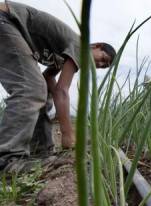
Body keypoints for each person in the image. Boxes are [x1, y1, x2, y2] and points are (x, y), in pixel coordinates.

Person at [0, 1, 116, 171]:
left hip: (8, 25)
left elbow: (48, 78)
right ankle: (7, 159)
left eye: (103, 66)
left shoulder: (64, 55)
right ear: (95, 46)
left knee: (40, 89)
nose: (99, 64)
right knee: (31, 88)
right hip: (7, 20)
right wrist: (68, 135)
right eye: (103, 59)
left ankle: (41, 150)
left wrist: (50, 95)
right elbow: (62, 90)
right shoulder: (80, 45)